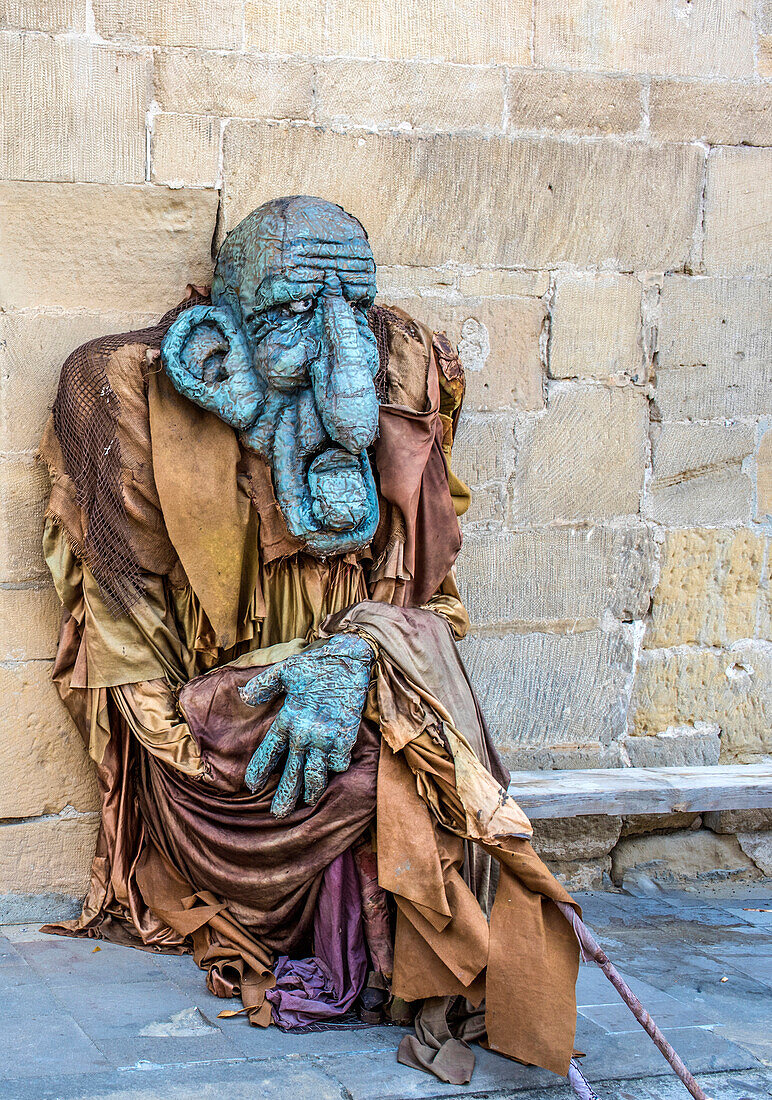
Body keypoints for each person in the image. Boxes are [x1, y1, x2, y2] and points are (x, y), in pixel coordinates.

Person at [40, 195, 579, 1086]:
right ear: (220, 351)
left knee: (418, 750)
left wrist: (355, 656)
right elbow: (130, 671)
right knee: (390, 767)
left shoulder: (399, 376)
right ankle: (407, 964)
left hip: (359, 692)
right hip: (217, 760)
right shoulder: (124, 393)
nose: (347, 383)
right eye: (295, 314)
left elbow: (431, 614)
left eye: (354, 314)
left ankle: (417, 963)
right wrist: (252, 717)